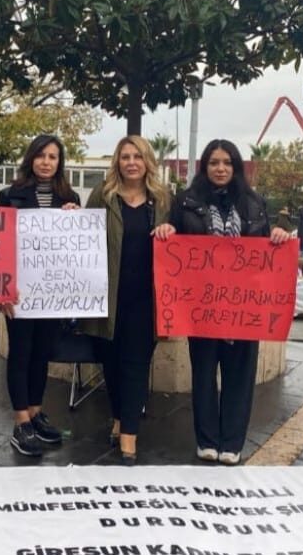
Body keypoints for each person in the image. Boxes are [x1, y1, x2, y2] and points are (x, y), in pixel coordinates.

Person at [169, 140, 293, 466]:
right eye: (213, 162)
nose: (220, 168)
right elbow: (174, 244)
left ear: (236, 167)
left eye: (226, 162)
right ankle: (207, 439)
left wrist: (279, 237)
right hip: (203, 306)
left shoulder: (254, 203)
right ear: (204, 167)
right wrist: (167, 230)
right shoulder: (186, 202)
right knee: (204, 375)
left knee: (240, 377)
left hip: (244, 308)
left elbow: (267, 248)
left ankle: (232, 442)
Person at [80, 136, 173, 465]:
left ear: (148, 161)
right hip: (106, 299)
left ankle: (129, 436)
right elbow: (80, 235)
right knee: (112, 366)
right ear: (117, 162)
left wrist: (169, 231)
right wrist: (68, 217)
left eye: (138, 156)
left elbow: (178, 241)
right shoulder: (102, 196)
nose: (131, 162)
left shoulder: (162, 200)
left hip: (145, 300)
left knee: (135, 366)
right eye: (125, 157)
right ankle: (119, 418)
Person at [0, 134, 81, 456]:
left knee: (42, 353)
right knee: (20, 352)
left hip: (52, 292)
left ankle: (35, 411)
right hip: (19, 291)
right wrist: (1, 289)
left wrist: (75, 218)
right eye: (41, 155)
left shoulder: (68, 196)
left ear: (60, 163)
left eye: (53, 157)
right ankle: (20, 421)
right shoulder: (10, 195)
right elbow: (0, 246)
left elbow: (76, 248)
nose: (47, 162)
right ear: (30, 158)